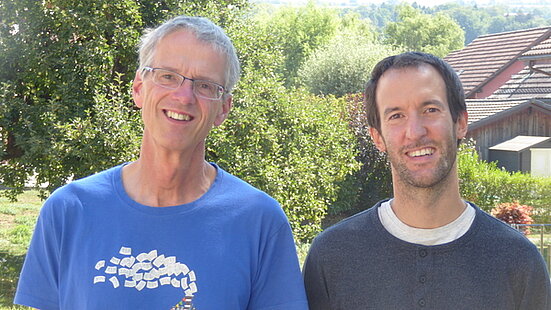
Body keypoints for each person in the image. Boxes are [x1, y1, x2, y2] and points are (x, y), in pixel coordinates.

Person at [14, 15, 308, 310]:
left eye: (205, 85)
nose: (183, 96)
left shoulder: (259, 221)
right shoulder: (69, 211)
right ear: (139, 88)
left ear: (223, 109)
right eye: (167, 76)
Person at [303, 51, 551, 309]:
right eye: (396, 115)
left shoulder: (518, 260)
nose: (415, 132)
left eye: (430, 109)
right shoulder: (332, 256)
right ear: (377, 137)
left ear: (461, 123)